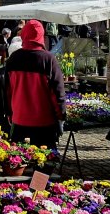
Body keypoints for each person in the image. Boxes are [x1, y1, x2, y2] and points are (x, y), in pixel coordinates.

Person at [5, 20, 65, 150]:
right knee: (44, 162)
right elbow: (57, 91)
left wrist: (10, 113)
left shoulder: (13, 59)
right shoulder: (48, 59)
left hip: (20, 119)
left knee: (19, 161)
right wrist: (61, 115)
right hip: (44, 121)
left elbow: (7, 91)